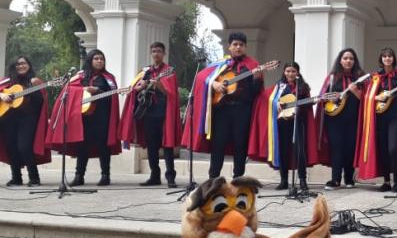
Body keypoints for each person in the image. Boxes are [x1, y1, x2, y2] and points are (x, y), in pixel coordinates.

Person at [181, 32, 264, 179]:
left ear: (245, 47)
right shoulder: (221, 64)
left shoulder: (253, 65)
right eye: (235, 44)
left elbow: (256, 93)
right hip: (222, 110)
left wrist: (256, 79)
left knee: (240, 144)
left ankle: (238, 178)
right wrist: (213, 83)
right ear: (229, 47)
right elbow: (201, 77)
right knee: (218, 143)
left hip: (242, 109)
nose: (238, 47)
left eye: (241, 45)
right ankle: (213, 177)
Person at [47, 49, 122, 186]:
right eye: (96, 59)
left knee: (103, 147)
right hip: (83, 118)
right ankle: (79, 176)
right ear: (90, 61)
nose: (100, 61)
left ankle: (105, 176)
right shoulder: (81, 76)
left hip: (102, 117)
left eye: (102, 59)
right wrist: (83, 90)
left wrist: (98, 91)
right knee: (83, 147)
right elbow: (68, 90)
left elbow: (113, 96)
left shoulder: (108, 78)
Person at [249, 62, 321, 196]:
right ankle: (283, 180)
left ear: (298, 73)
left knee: (300, 152)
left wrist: (303, 106)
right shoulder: (279, 87)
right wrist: (276, 105)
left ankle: (303, 181)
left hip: (298, 122)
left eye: (293, 71)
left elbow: (307, 106)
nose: (290, 74)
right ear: (284, 72)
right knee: (283, 151)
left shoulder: (303, 87)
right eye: (288, 71)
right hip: (282, 123)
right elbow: (267, 98)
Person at [120, 42, 181, 188]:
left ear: (164, 53)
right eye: (153, 51)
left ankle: (170, 176)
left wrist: (158, 84)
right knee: (151, 147)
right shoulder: (145, 71)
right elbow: (135, 89)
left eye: (159, 51)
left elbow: (170, 93)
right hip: (148, 113)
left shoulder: (169, 71)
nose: (156, 54)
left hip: (164, 114)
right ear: (151, 53)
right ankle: (154, 176)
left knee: (167, 146)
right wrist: (139, 86)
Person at [355, 47, 397, 192]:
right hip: (380, 117)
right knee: (382, 150)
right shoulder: (375, 77)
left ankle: (396, 182)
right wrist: (376, 97)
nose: (387, 58)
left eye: (390, 56)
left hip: (396, 116)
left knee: (393, 149)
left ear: (394, 58)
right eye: (384, 56)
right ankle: (387, 181)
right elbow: (368, 97)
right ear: (381, 59)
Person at [0, 56, 51, 186]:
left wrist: (32, 91)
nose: (20, 66)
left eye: (23, 63)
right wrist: (2, 95)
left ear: (29, 65)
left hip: (28, 118)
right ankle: (16, 178)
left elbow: (41, 101)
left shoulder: (34, 81)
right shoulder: (7, 82)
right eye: (17, 64)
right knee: (11, 147)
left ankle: (34, 178)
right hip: (8, 118)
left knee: (24, 146)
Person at [318, 48, 364, 190]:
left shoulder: (360, 78)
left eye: (351, 58)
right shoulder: (332, 77)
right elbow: (322, 96)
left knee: (350, 148)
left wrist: (354, 90)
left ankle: (349, 178)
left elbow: (366, 99)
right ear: (340, 60)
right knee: (337, 147)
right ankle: (335, 179)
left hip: (353, 118)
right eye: (345, 58)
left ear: (354, 61)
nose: (348, 61)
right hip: (334, 119)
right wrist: (333, 96)